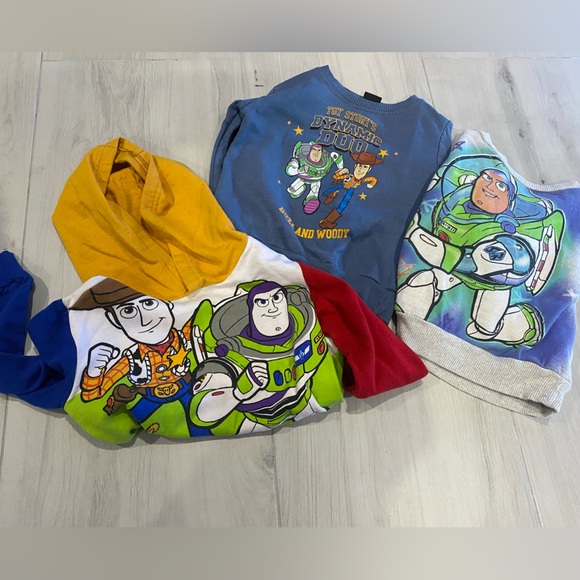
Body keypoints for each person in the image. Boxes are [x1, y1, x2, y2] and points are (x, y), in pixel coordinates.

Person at [396, 160, 565, 347]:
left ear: (509, 200)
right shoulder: (460, 200)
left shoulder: (504, 239)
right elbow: (454, 176)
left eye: (500, 186)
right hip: (455, 270)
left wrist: (414, 232)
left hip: (489, 283)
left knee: (482, 330)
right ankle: (407, 337)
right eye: (486, 177)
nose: (489, 186)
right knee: (422, 283)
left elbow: (452, 257)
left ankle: (526, 325)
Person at [319, 150, 383, 229]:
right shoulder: (348, 176)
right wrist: (340, 172)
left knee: (344, 203)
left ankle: (328, 221)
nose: (360, 170)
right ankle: (327, 193)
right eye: (359, 166)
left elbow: (372, 179)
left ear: (369, 169)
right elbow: (335, 177)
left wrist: (371, 184)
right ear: (355, 166)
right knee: (334, 188)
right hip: (343, 185)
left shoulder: (362, 180)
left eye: (365, 167)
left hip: (350, 190)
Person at [285, 141, 343, 214]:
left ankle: (311, 199)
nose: (316, 153)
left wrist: (341, 169)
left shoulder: (327, 160)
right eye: (314, 150)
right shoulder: (301, 159)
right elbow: (290, 169)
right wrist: (296, 170)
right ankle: (299, 191)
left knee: (315, 191)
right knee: (293, 190)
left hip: (316, 180)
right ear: (310, 151)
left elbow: (336, 156)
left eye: (319, 151)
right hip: (303, 178)